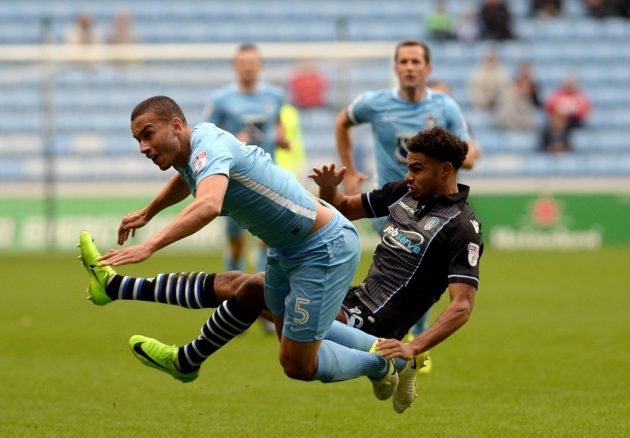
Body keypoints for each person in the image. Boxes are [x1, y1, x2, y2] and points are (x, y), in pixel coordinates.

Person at [79, 126, 480, 414]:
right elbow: (343, 209)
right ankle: (142, 316)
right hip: (351, 298)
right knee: (248, 289)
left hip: (375, 323)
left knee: (292, 358)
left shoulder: (462, 228)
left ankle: (386, 361)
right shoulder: (403, 194)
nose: (407, 176)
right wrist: (328, 189)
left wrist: (414, 346)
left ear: (445, 170)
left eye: (417, 169)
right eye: (407, 167)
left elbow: (461, 307)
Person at [335, 40, 476, 371]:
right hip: (393, 199)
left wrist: (467, 157)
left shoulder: (445, 107)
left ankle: (407, 346)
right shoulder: (375, 103)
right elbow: (342, 122)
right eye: (403, 61)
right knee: (405, 269)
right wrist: (350, 170)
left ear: (427, 69)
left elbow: (465, 150)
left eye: (416, 61)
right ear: (395, 68)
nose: (410, 67)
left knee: (414, 267)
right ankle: (402, 349)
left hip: (435, 206)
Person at [203, 43, 288, 273]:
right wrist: (232, 139)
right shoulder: (221, 99)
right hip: (235, 177)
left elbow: (278, 123)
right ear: (235, 67)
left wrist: (281, 137)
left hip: (268, 173)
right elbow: (206, 137)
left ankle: (263, 282)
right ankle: (233, 277)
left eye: (252, 63)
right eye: (243, 63)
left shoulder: (275, 96)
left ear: (260, 66)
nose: (248, 68)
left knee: (270, 236)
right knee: (236, 240)